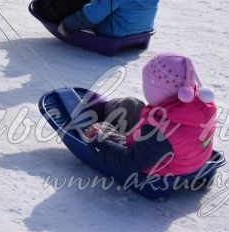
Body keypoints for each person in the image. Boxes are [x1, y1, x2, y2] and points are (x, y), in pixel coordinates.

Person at [81, 53, 216, 178]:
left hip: (160, 165)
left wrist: (97, 140)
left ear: (157, 91)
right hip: (184, 154)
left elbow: (130, 162)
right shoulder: (198, 102)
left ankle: (97, 124)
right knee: (131, 105)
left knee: (101, 127)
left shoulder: (160, 133)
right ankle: (103, 108)